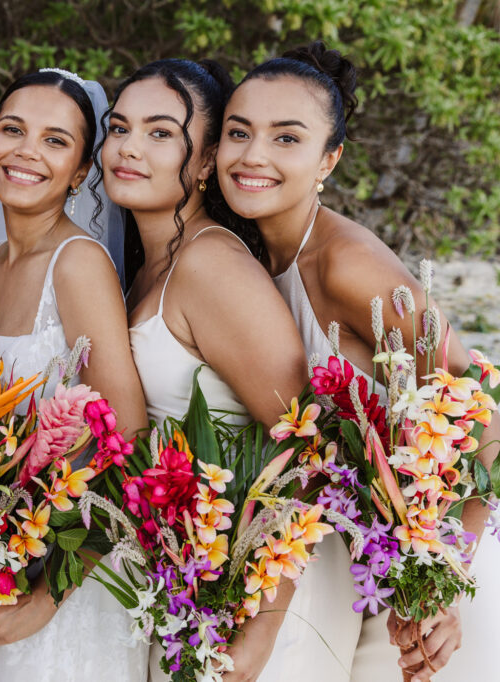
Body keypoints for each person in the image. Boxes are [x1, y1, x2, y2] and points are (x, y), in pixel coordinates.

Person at [215, 41, 500, 682]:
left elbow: (484, 419)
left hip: (451, 576)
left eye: (287, 139)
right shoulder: (249, 259)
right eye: (238, 132)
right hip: (368, 574)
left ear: (328, 159)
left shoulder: (346, 265)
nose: (253, 155)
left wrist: (445, 578)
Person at [104, 58, 361, 682]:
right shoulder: (149, 266)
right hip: (201, 578)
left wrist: (263, 630)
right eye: (118, 128)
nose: (129, 148)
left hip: (268, 598)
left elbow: (311, 449)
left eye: (160, 132)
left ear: (204, 158)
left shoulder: (210, 265)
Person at [0, 68, 150, 682]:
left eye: (56, 141)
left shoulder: (78, 264)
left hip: (64, 584)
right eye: (13, 130)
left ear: (83, 172)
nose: (27, 151)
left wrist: (47, 598)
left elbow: (129, 438)